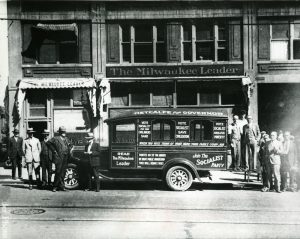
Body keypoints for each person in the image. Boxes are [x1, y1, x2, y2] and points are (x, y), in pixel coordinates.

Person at [47, 126, 72, 192]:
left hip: (65, 157)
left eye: (64, 132)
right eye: (62, 132)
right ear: (60, 132)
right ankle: (55, 186)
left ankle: (62, 186)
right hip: (59, 157)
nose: (64, 133)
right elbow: (48, 143)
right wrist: (54, 151)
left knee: (63, 172)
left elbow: (71, 144)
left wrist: (70, 147)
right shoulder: (55, 138)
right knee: (58, 172)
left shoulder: (66, 139)